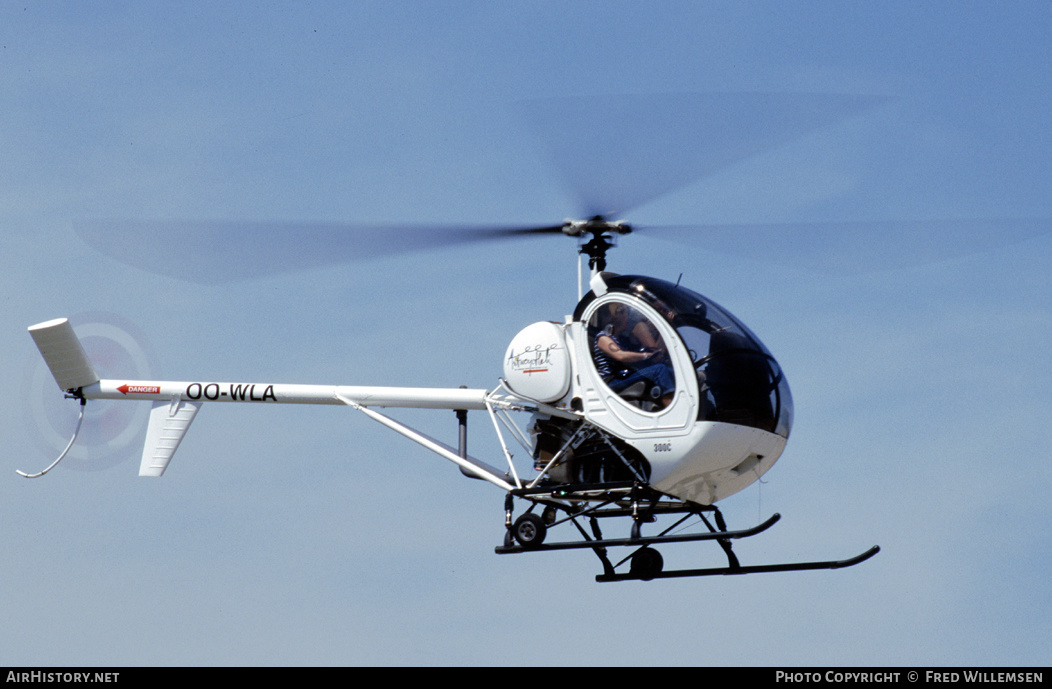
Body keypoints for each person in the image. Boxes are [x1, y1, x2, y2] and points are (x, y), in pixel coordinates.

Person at [592, 303, 675, 408]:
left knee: (670, 370)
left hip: (623, 376)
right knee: (659, 370)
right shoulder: (603, 337)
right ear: (616, 317)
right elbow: (620, 355)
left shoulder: (622, 340)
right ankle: (672, 407)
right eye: (626, 315)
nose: (628, 319)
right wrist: (645, 355)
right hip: (611, 380)